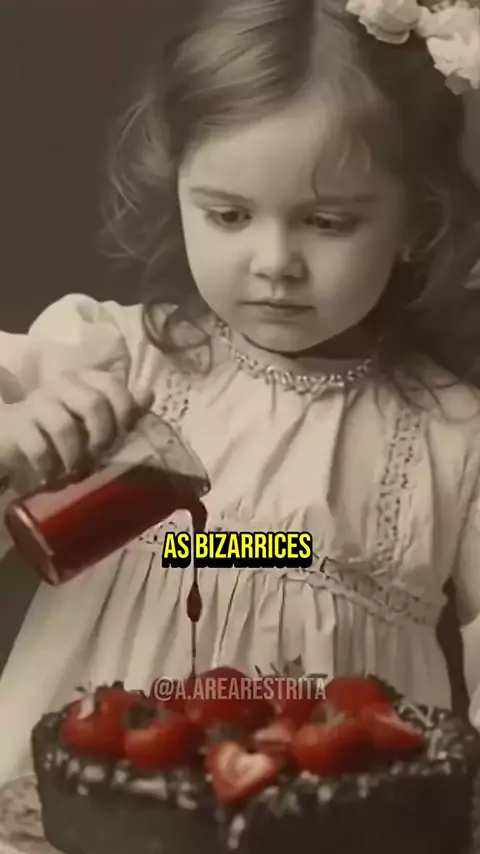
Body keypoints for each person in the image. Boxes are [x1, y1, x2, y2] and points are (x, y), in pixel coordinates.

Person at [1, 0, 480, 786]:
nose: (274, 261)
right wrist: (14, 439)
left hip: (328, 812)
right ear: (179, 193)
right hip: (84, 795)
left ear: (415, 223)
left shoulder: (453, 436)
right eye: (228, 214)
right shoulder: (106, 364)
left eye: (327, 223)